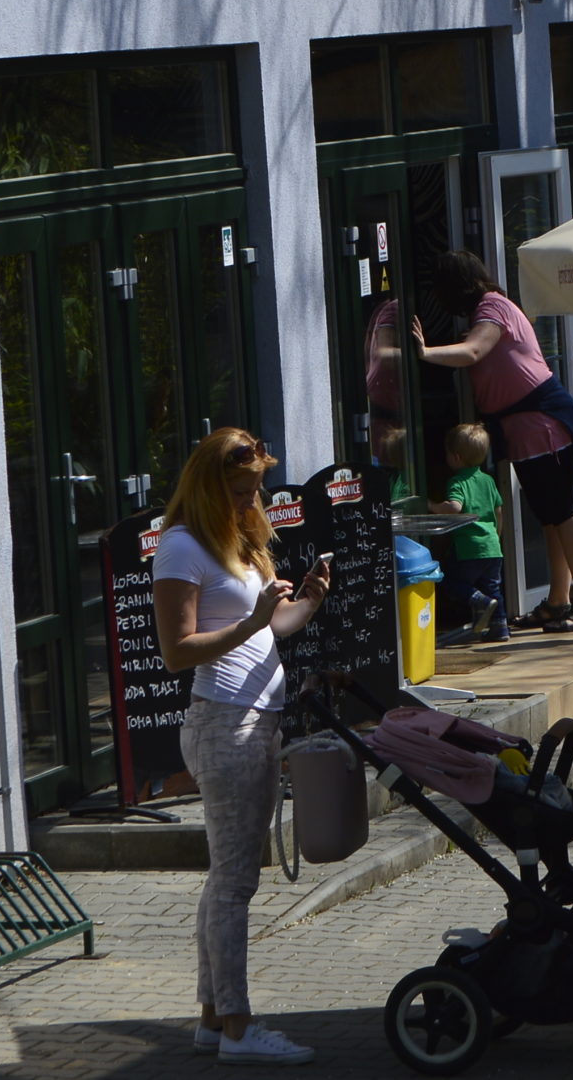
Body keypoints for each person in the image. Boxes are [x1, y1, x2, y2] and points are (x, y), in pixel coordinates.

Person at [151, 429, 331, 1065]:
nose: (251, 501)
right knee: (234, 885)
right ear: (208, 487)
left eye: (256, 488)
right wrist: (251, 620)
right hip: (225, 724)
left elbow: (270, 629)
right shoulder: (181, 546)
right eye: (239, 490)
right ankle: (237, 1028)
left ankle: (212, 1020)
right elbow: (177, 652)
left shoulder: (240, 537)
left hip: (255, 720)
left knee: (225, 880)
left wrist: (307, 601)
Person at [412, 249, 573, 633]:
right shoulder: (489, 309)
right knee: (550, 518)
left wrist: (425, 352)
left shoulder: (493, 306)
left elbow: (474, 351)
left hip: (542, 425)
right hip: (525, 431)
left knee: (564, 512)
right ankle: (558, 600)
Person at [430, 423, 510, 642]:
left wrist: (432, 506)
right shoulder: (488, 480)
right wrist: (497, 536)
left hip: (468, 547)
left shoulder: (457, 482)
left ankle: (478, 600)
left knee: (449, 581)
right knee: (493, 588)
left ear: (456, 457)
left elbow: (454, 507)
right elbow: (499, 511)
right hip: (492, 547)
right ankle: (500, 628)